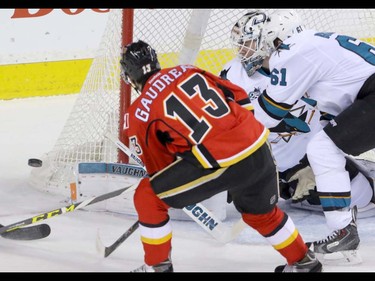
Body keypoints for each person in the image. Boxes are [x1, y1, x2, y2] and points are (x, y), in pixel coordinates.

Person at [119, 39, 322, 272]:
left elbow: (159, 171)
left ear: (129, 75)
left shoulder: (138, 111)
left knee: (148, 196)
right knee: (260, 214)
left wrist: (220, 165)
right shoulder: (189, 70)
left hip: (220, 161)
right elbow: (240, 98)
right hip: (258, 146)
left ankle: (157, 267)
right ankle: (303, 262)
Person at [245, 9, 375, 264]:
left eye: (263, 43)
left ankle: (343, 230)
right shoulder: (316, 42)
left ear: (276, 38)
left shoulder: (290, 52)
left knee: (322, 149)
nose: (261, 50)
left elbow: (268, 115)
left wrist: (226, 128)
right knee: (325, 146)